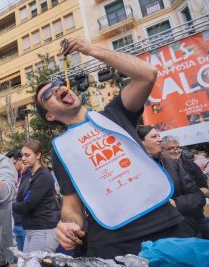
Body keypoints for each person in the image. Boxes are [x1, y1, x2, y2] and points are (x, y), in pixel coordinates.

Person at [34, 36, 196, 258]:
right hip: (113, 243)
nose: (56, 88)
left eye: (59, 85)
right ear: (50, 115)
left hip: (167, 225)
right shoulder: (61, 150)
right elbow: (72, 204)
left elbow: (147, 74)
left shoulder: (115, 114)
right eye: (47, 94)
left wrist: (90, 50)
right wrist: (68, 225)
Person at [137, 126, 208, 239]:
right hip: (154, 235)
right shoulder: (132, 171)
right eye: (154, 136)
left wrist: (176, 203)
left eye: (159, 135)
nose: (160, 139)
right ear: (140, 141)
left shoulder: (173, 165)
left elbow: (197, 196)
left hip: (186, 230)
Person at [12, 140, 59, 253]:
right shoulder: (28, 173)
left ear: (38, 155)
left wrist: (10, 205)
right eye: (22, 155)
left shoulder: (44, 176)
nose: (23, 158)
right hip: (30, 230)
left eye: (27, 155)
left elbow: (27, 206)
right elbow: (19, 198)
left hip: (43, 230)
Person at [5, 149, 31, 252]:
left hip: (28, 225)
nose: (10, 169)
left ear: (20, 160)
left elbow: (26, 197)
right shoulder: (13, 176)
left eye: (12, 164)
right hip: (15, 224)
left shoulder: (30, 174)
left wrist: (13, 196)